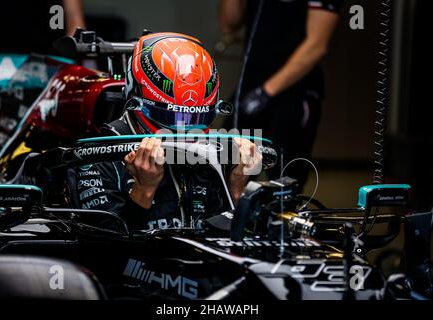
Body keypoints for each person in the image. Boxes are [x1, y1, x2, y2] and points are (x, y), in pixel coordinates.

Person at [77, 32, 262, 230]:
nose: (185, 130)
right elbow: (104, 255)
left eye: (195, 118)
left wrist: (236, 188)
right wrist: (143, 190)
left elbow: (227, 246)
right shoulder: (98, 158)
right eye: (172, 117)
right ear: (136, 99)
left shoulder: (215, 157)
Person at [219, 0, 343, 188]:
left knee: (284, 183)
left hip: (294, 90)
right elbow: (229, 23)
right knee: (226, 172)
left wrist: (266, 92)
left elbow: (316, 45)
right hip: (250, 85)